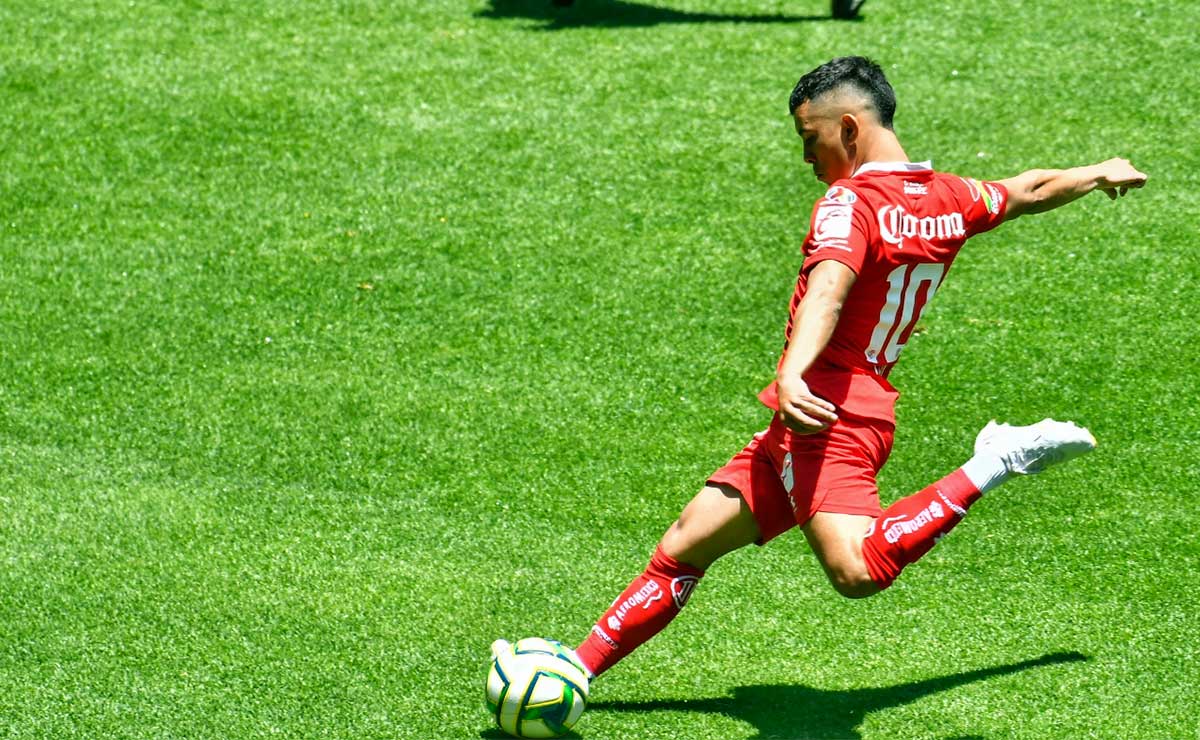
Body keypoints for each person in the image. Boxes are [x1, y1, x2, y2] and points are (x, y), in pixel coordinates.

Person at [497, 56, 1147, 686]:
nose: (807, 158)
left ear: (849, 129)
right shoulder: (946, 197)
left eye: (810, 140)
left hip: (827, 414)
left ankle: (998, 458)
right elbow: (1024, 190)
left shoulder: (850, 203)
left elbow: (829, 289)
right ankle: (575, 668)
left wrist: (793, 374)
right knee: (686, 542)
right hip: (827, 408)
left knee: (858, 569)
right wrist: (1096, 171)